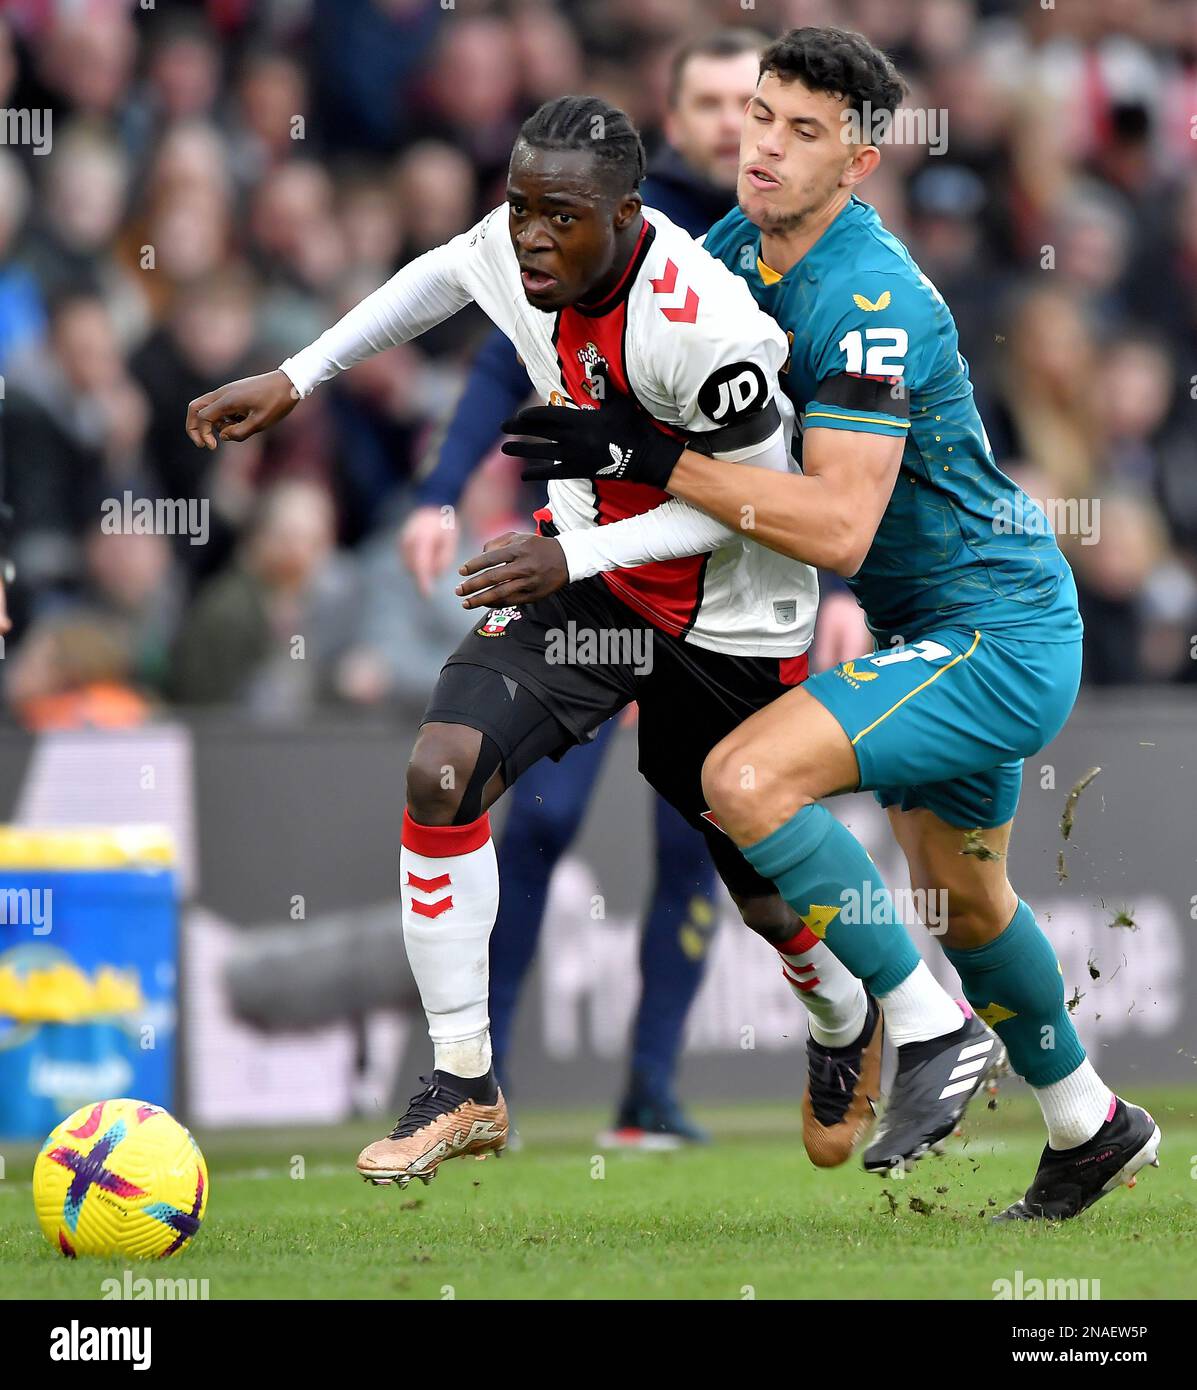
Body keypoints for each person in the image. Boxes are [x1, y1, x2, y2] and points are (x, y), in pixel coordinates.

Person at [186, 93, 997, 1190]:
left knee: (758, 879)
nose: (529, 234)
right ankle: (465, 1077)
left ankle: (843, 1012)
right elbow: (436, 275)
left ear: (626, 215)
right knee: (442, 772)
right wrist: (297, 376)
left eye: (558, 216)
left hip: (728, 612)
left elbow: (758, 500)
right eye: (519, 206)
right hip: (589, 585)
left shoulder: (707, 327)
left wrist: (573, 558)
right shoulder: (522, 249)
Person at [491, 27, 1160, 1221]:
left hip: (994, 627)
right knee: (966, 899)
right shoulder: (734, 248)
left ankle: (932, 1032)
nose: (766, 147)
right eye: (760, 116)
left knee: (741, 779)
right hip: (932, 622)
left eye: (804, 133)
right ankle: (1089, 1122)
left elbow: (842, 527)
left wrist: (649, 456)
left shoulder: (870, 296)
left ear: (859, 162)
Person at [400, 29, 772, 1149]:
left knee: (707, 841)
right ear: (671, 117)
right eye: (705, 99)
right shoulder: (588, 218)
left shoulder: (780, 247)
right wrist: (438, 485)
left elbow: (805, 452)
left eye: (745, 103)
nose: (726, 121)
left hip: (726, 575)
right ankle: (478, 1074)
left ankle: (653, 1088)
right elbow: (488, 351)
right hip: (600, 569)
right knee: (535, 824)